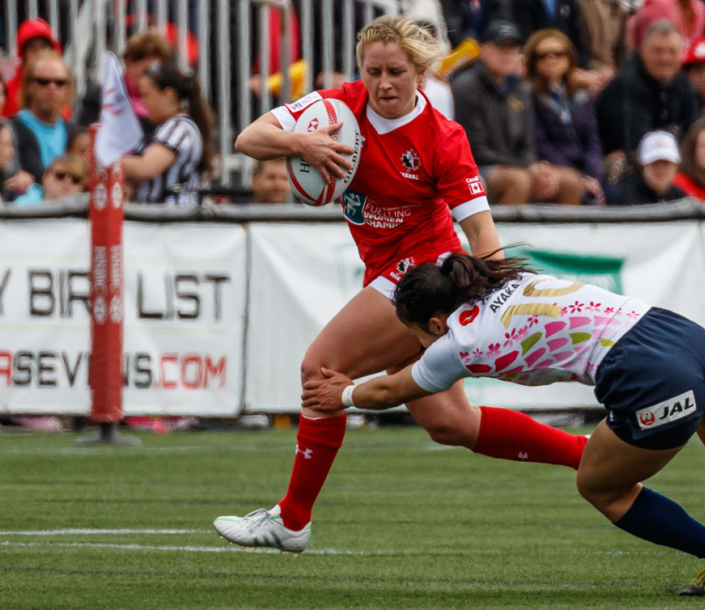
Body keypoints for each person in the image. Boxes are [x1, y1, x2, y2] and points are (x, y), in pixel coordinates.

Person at [298, 252, 705, 596]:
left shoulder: (450, 343)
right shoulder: (511, 279)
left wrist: (342, 392)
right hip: (679, 332)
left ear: (433, 322)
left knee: (600, 486)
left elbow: (392, 388)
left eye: (412, 332)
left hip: (646, 373)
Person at [216, 15, 591, 553]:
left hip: (427, 272)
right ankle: (586, 452)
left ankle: (292, 519)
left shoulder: (442, 137)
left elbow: (480, 230)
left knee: (321, 371)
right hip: (387, 271)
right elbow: (249, 138)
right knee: (450, 423)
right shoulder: (338, 109)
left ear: (421, 72)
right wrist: (302, 144)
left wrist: (498, 301)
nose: (383, 83)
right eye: (373, 71)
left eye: (396, 71)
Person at [453, 21, 584, 205]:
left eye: (513, 48)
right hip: (478, 169)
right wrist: (526, 168)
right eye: (501, 47)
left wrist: (535, 167)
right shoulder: (466, 87)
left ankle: (561, 234)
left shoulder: (522, 88)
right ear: (484, 49)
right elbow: (475, 150)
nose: (508, 54)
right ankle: (500, 234)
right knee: (519, 180)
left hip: (516, 166)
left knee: (571, 180)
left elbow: (528, 144)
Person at [595, 20, 699, 163]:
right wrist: (674, 131)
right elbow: (641, 146)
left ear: (682, 53)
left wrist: (668, 134)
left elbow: (694, 131)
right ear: (643, 51)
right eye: (658, 51)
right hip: (614, 168)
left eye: (672, 51)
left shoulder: (681, 80)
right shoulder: (626, 84)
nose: (665, 58)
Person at [525, 29, 604, 205]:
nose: (551, 59)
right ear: (533, 62)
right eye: (543, 55)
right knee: (573, 186)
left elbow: (592, 139)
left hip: (586, 169)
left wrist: (592, 175)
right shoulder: (530, 95)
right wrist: (578, 177)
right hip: (556, 169)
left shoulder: (582, 94)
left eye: (558, 54)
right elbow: (541, 142)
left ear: (569, 59)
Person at [122, 61, 214, 207]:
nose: (143, 103)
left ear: (167, 95)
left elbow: (146, 167)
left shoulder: (179, 128)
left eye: (146, 96)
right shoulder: (167, 127)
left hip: (171, 220)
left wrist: (108, 161)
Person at [10, 51, 72, 182]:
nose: (52, 88)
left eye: (60, 82)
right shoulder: (10, 129)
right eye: (43, 82)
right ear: (29, 86)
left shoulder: (73, 132)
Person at [606, 130, 685, 204]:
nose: (660, 169)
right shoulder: (627, 196)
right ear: (642, 166)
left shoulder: (679, 196)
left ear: (676, 166)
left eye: (666, 163)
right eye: (654, 162)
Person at [2, 18, 60, 118]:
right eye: (33, 49)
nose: (39, 53)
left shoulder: (60, 85)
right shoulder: (7, 90)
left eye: (44, 47)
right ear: (23, 55)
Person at [122, 30, 174, 138]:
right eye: (145, 71)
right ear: (129, 64)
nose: (150, 77)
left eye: (156, 71)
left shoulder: (170, 99)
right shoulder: (104, 98)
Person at [14, 154, 87, 205]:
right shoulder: (23, 206)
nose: (68, 182)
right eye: (60, 175)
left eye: (76, 179)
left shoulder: (86, 216)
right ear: (45, 178)